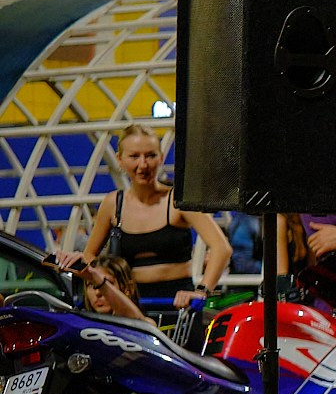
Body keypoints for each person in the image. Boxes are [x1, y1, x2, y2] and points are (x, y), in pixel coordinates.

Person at [63, 124, 229, 310]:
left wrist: (202, 291)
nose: (143, 165)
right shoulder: (113, 204)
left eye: (150, 155)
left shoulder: (177, 200)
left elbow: (221, 248)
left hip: (177, 304)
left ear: (161, 158)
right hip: (128, 304)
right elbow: (90, 256)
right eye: (134, 156)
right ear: (120, 160)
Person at [80, 254, 144, 321]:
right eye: (91, 285)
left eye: (107, 283)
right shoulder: (79, 323)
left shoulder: (147, 325)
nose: (97, 292)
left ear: (127, 289)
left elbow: (142, 323)